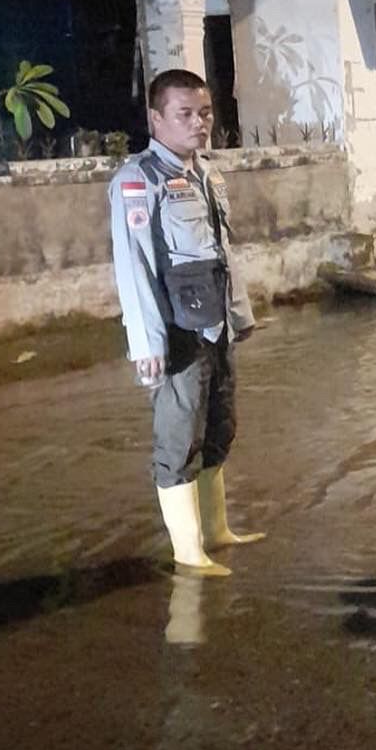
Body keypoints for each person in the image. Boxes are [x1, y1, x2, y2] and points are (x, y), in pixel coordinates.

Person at [108, 68, 264, 577]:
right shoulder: (138, 181)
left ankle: (216, 530)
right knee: (179, 441)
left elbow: (222, 252)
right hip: (174, 333)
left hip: (214, 327)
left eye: (205, 113)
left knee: (221, 427)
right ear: (156, 119)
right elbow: (135, 269)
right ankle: (188, 553)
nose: (199, 123)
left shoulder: (207, 174)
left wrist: (239, 312)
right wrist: (147, 343)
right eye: (185, 114)